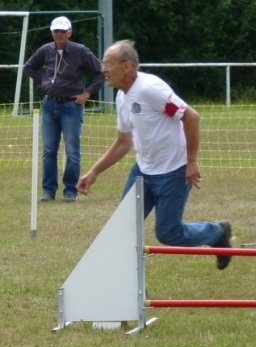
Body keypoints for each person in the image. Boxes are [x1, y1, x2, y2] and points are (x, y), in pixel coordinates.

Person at [76, 40, 233, 270]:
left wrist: (191, 161)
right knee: (123, 228)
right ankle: (132, 288)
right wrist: (94, 171)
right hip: (142, 172)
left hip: (173, 171)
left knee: (169, 234)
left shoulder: (150, 90)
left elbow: (191, 117)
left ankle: (217, 233)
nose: (103, 70)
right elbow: (123, 142)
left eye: (108, 64)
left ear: (127, 66)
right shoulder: (122, 97)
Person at [24, 16, 105, 202]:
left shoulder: (80, 51)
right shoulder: (45, 50)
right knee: (49, 150)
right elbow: (29, 67)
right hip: (50, 104)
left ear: (70, 32)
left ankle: (70, 191)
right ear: (52, 32)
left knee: (72, 151)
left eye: (62, 31)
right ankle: (48, 190)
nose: (59, 34)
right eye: (56, 31)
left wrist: (87, 93)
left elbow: (101, 72)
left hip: (71, 106)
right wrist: (42, 82)